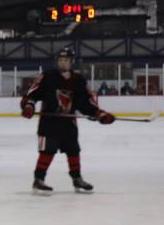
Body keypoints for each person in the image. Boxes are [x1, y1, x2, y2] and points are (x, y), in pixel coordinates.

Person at [20, 47, 115, 194]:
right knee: (47, 151)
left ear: (72, 62)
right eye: (60, 60)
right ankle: (39, 180)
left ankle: (77, 179)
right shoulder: (47, 76)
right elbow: (32, 94)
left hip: (68, 123)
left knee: (73, 151)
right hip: (49, 123)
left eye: (66, 60)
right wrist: (28, 106)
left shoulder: (78, 80)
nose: (63, 63)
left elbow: (85, 103)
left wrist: (100, 114)